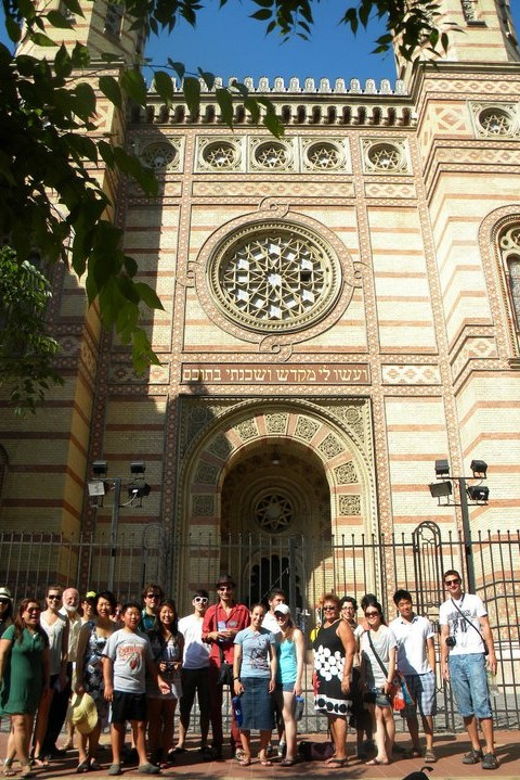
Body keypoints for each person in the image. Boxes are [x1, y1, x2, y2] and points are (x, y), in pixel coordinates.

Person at [439, 569, 498, 770]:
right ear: (445, 586)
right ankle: (476, 748)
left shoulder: (474, 600)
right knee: (465, 707)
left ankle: (490, 751)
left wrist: (491, 653)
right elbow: (444, 635)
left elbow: (485, 626)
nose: (453, 585)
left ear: (461, 582)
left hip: (474, 655)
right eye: (449, 583)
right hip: (455, 658)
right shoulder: (445, 607)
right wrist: (443, 662)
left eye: (455, 581)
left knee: (482, 702)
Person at [102, 601, 168, 776]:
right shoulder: (116, 636)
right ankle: (116, 761)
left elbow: (150, 663)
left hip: (139, 688)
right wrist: (108, 685)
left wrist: (159, 680)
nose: (134, 617)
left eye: (137, 614)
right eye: (130, 613)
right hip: (120, 687)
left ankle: (143, 761)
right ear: (123, 616)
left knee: (139, 725)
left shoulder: (143, 638)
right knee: (117, 725)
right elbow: (107, 661)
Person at [0, 598, 50, 779]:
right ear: (22, 613)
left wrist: (46, 683)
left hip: (34, 686)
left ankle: (7, 763)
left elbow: (46, 662)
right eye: (30, 610)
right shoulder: (13, 631)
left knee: (23, 726)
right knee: (19, 722)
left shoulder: (42, 635)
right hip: (15, 685)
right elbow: (2, 655)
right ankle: (25, 764)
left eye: (37, 609)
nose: (35, 612)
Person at [201, 573, 249, 760]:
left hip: (237, 662)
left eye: (228, 587)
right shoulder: (212, 611)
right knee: (215, 705)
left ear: (233, 589)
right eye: (221, 588)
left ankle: (237, 744)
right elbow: (204, 634)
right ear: (218, 591)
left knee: (238, 704)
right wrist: (213, 634)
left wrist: (237, 633)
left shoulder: (243, 610)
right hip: (216, 662)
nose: (225, 591)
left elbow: (249, 632)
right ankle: (217, 744)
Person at [390, 589, 436, 762]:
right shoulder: (393, 626)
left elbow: (430, 647)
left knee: (427, 713)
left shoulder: (424, 622)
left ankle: (430, 747)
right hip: (404, 676)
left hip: (424, 674)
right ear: (397, 607)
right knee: (410, 714)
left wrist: (432, 670)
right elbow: (392, 652)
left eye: (407, 603)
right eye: (401, 604)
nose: (406, 607)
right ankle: (417, 745)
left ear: (411, 602)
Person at [75, 590, 118, 772]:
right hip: (88, 678)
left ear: (113, 607)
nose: (103, 607)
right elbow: (79, 654)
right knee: (84, 716)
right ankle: (81, 755)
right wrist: (78, 680)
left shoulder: (116, 628)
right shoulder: (88, 627)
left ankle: (92, 755)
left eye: (107, 604)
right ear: (95, 606)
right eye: (101, 604)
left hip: (106, 680)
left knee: (98, 718)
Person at [312, 593, 355, 768]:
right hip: (323, 675)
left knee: (339, 714)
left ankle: (342, 755)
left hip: (337, 675)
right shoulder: (323, 626)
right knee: (331, 713)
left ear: (337, 609)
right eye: (326, 608)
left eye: (332, 608)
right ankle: (338, 751)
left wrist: (346, 677)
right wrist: (314, 675)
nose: (328, 610)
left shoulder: (342, 625)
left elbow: (351, 650)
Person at [233, 604, 277, 767]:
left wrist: (273, 677)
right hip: (245, 678)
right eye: (256, 614)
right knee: (244, 718)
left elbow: (273, 658)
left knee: (265, 717)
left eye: (261, 615)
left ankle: (263, 752)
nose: (258, 618)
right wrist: (236, 679)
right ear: (250, 614)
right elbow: (237, 658)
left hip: (263, 679)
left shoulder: (269, 635)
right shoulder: (241, 635)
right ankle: (247, 753)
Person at [33, 584, 69, 765]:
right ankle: (27, 749)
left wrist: (63, 673)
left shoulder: (64, 620)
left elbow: (65, 650)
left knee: (46, 713)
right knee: (29, 712)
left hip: (54, 672)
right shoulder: (37, 617)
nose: (54, 600)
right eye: (51, 597)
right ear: (46, 599)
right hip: (35, 671)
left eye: (57, 597)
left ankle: (40, 749)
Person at [359, 599, 396, 766]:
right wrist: (363, 679)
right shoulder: (364, 636)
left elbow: (392, 658)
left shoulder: (387, 632)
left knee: (387, 715)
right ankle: (382, 753)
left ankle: (387, 751)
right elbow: (364, 661)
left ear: (380, 614)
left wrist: (389, 680)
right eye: (368, 614)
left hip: (384, 681)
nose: (371, 616)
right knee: (376, 716)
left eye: (374, 613)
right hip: (371, 683)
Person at [147, 599, 183, 767]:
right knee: (154, 718)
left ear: (174, 614)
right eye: (163, 612)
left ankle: (165, 753)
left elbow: (181, 658)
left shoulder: (178, 636)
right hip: (155, 679)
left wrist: (178, 664)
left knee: (169, 718)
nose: (167, 615)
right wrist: (157, 665)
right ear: (158, 615)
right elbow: (147, 659)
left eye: (170, 612)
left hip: (173, 680)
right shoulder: (150, 634)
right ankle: (153, 752)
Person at [176, 590, 211, 754]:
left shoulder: (212, 621)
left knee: (206, 708)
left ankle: (204, 741)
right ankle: (181, 741)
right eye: (198, 599)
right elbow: (177, 643)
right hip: (187, 668)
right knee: (185, 708)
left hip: (206, 668)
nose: (201, 602)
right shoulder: (183, 622)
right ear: (192, 602)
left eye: (204, 600)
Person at [340, 596, 374, 759]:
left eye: (350, 608)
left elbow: (361, 652)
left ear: (354, 610)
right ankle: (338, 746)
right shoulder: (336, 627)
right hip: (339, 672)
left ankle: (360, 745)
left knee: (360, 710)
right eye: (345, 607)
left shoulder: (359, 629)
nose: (348, 610)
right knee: (338, 710)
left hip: (356, 670)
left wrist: (363, 676)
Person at [273, 603, 304, 767]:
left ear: (288, 616)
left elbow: (300, 659)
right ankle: (294, 752)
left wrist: (299, 681)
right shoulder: (277, 636)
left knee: (288, 717)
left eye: (283, 615)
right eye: (277, 615)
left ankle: (291, 755)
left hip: (290, 679)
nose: (280, 618)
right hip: (278, 679)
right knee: (285, 717)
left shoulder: (296, 633)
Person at [58, 587, 83, 752]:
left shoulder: (80, 620)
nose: (72, 601)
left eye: (75, 598)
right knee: (59, 703)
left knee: (75, 703)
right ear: (63, 599)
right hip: (59, 665)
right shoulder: (58, 618)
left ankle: (72, 738)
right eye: (69, 598)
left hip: (76, 664)